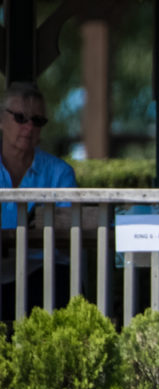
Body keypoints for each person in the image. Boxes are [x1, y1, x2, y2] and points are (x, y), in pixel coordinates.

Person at [0, 82, 78, 318]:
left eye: (38, 121)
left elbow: (66, 233)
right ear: (1, 120)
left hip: (43, 270)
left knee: (60, 279)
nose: (29, 126)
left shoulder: (60, 172)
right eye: (21, 118)